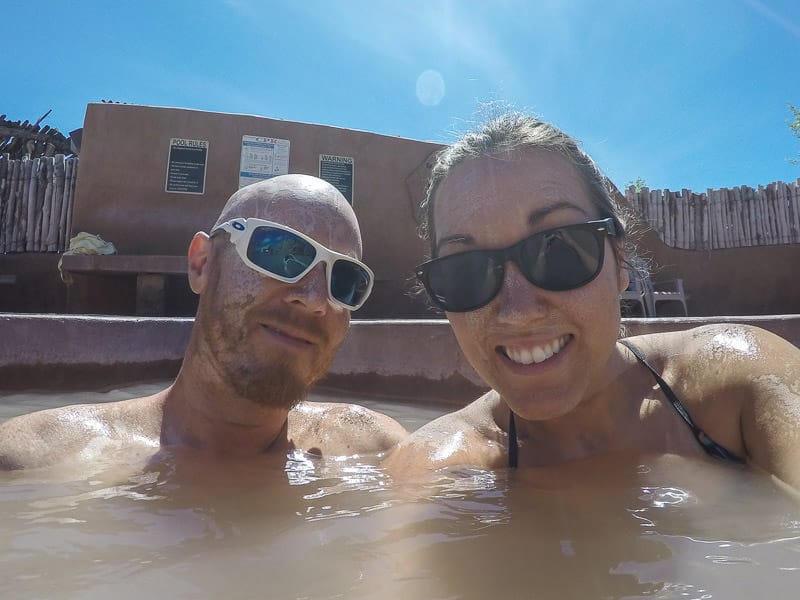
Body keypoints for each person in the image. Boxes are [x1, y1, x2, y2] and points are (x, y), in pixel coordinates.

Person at [385, 113, 800, 489]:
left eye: (559, 249)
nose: (519, 310)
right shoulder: (436, 471)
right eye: (465, 271)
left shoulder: (737, 384)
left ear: (619, 261)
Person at [0, 175, 407, 470]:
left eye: (346, 280)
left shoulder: (376, 449)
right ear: (202, 264)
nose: (316, 300)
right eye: (281, 252)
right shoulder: (33, 461)